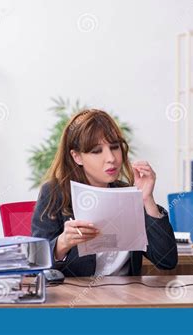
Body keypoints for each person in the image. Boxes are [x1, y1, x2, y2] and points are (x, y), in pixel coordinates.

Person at [32, 109, 177, 277]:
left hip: (127, 298)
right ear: (77, 157)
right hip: (77, 298)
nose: (111, 158)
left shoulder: (127, 193)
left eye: (115, 147)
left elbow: (167, 261)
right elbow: (35, 261)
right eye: (96, 151)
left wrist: (147, 200)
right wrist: (62, 243)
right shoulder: (54, 192)